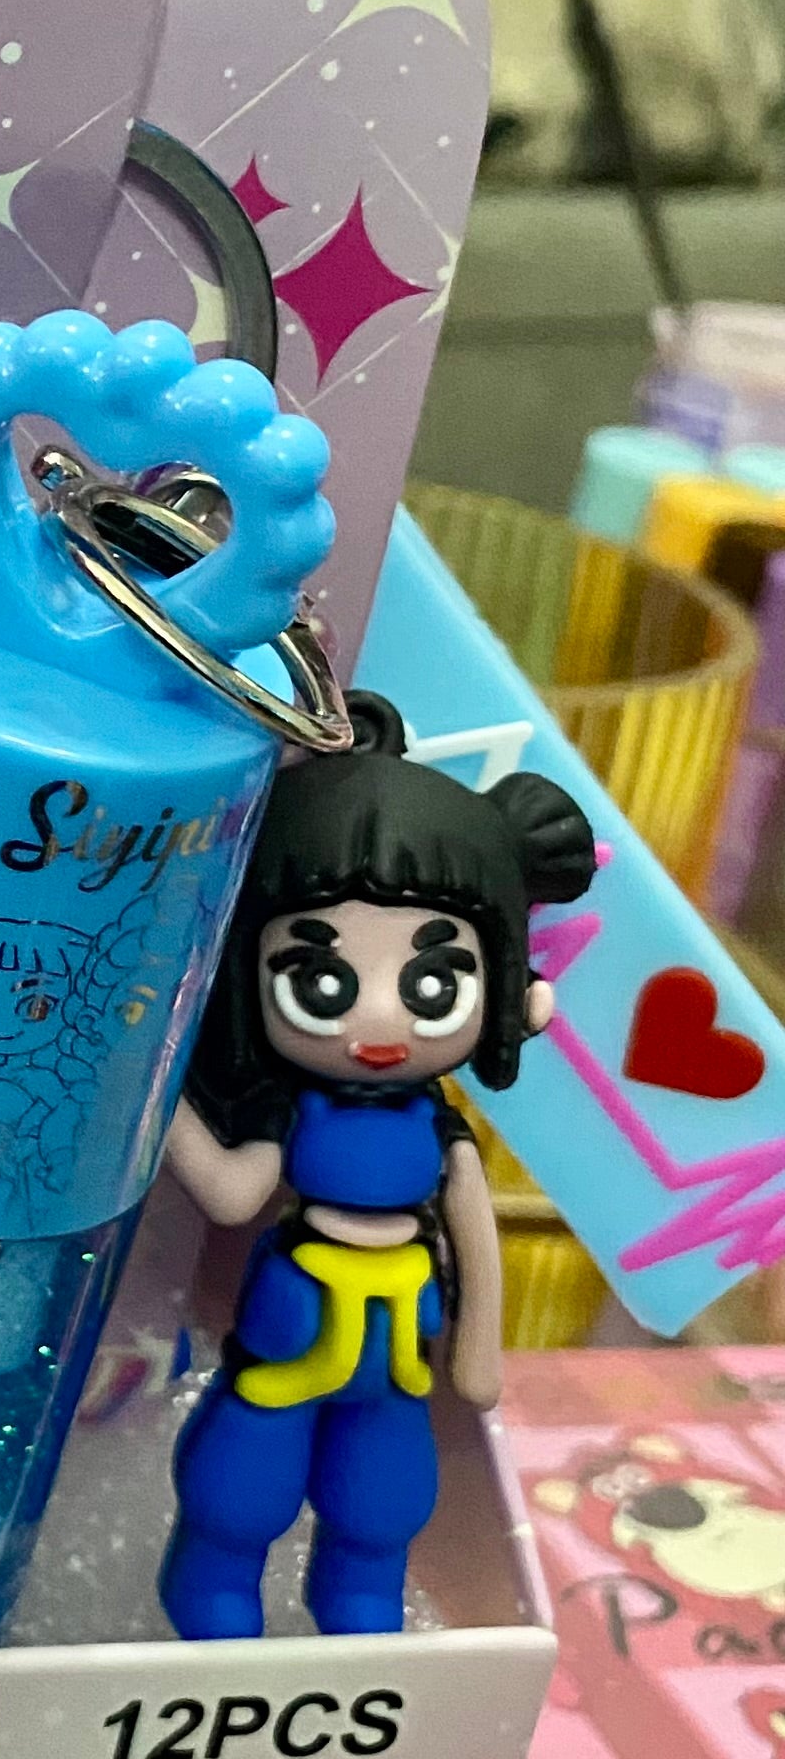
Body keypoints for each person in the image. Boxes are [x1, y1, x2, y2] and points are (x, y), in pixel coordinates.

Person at [160, 697, 597, 1640]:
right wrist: (152, 1095)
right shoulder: (290, 1110)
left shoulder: (439, 1135)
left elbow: (475, 1239)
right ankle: (216, 1599)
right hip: (286, 1350)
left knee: (383, 1502)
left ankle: (360, 1609)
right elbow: (234, 1193)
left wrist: (478, 1351)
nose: (382, 1023)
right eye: (320, 982)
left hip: (396, 1359)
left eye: (435, 983)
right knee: (240, 1486)